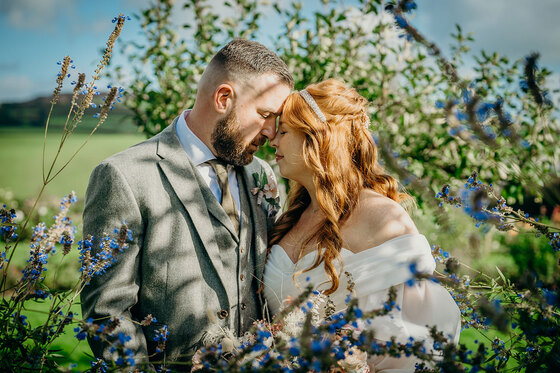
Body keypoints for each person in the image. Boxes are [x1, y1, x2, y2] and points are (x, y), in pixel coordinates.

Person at [81, 39, 293, 366]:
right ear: (224, 97)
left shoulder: (261, 174)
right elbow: (108, 314)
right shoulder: (124, 176)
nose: (271, 132)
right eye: (265, 114)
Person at [263, 79, 461, 371]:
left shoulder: (382, 218)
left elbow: (425, 338)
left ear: (318, 138)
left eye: (283, 131)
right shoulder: (291, 216)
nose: (273, 140)